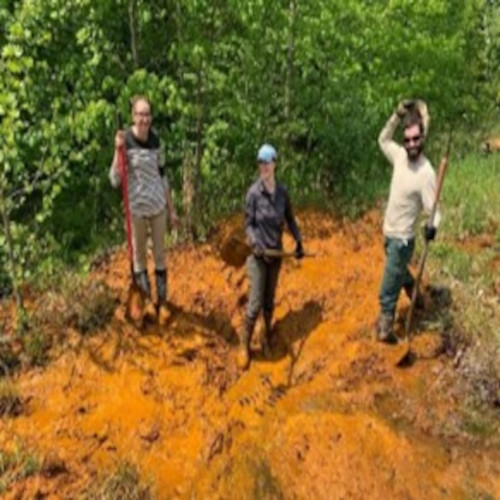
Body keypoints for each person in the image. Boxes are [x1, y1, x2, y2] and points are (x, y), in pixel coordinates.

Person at [110, 95, 178, 325]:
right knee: (139, 257)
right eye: (140, 114)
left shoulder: (157, 141)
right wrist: (116, 151)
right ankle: (147, 301)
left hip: (158, 205)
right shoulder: (125, 141)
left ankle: (163, 302)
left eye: (147, 114)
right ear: (133, 116)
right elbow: (115, 180)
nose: (144, 119)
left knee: (160, 255)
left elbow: (163, 175)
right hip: (136, 210)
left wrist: (172, 209)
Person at [376, 99, 440, 343]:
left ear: (423, 138)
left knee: (388, 287)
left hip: (402, 240)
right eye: (408, 140)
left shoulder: (426, 173)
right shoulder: (400, 157)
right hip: (388, 232)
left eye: (416, 139)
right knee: (399, 272)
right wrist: (396, 115)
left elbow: (434, 210)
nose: (411, 144)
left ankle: (385, 328)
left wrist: (432, 226)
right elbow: (382, 140)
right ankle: (417, 297)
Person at [237, 144, 304, 370]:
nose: (263, 166)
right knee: (254, 303)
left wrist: (298, 241)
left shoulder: (282, 193)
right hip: (257, 256)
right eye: (260, 162)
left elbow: (291, 219)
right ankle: (244, 344)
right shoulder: (253, 193)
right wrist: (254, 243)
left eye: (267, 162)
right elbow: (248, 224)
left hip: (275, 254)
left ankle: (264, 334)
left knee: (268, 302)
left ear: (275, 163)